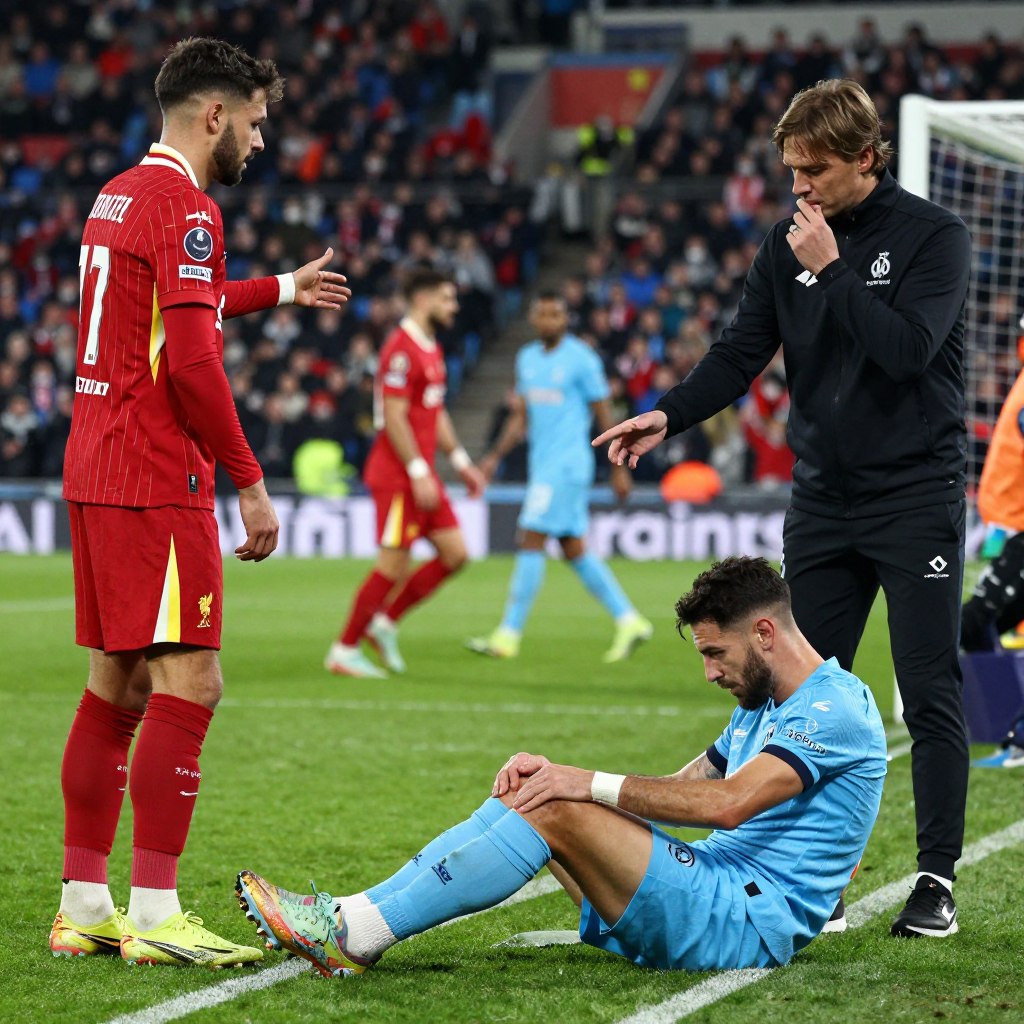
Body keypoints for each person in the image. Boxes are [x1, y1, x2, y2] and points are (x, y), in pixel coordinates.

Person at [593, 79, 970, 939]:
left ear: (867, 157)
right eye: (791, 172)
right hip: (823, 501)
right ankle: (818, 880)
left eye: (815, 171)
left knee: (928, 686)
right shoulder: (786, 244)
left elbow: (909, 352)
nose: (799, 188)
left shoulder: (933, 238)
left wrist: (833, 269)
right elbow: (740, 351)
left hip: (915, 496)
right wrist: (670, 413)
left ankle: (935, 879)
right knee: (791, 698)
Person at [51, 37, 351, 968]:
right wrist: (250, 482)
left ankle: (84, 903)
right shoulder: (188, 206)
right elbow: (187, 358)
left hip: (93, 466)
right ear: (214, 114)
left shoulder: (118, 194)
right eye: (256, 123)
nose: (261, 142)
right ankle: (154, 913)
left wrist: (283, 289)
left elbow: (177, 308)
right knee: (193, 682)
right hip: (154, 476)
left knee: (118, 685)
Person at [236, 557, 887, 977]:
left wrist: (582, 787)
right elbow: (694, 784)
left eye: (717, 653)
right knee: (534, 789)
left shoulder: (833, 710)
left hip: (744, 921)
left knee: (555, 801)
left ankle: (359, 936)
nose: (710, 671)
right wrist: (570, 782)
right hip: (712, 889)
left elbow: (728, 804)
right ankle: (348, 912)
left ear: (767, 634)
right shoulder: (764, 697)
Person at [465, 292, 652, 661]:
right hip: (543, 465)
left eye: (556, 314)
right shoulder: (527, 359)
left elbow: (603, 414)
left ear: (566, 318)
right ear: (534, 318)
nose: (549, 320)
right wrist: (493, 457)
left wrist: (618, 467)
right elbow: (521, 416)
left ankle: (508, 635)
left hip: (567, 466)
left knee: (530, 538)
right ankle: (629, 619)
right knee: (572, 548)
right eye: (542, 313)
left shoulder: (581, 359)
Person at [325, 267, 486, 679]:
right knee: (392, 565)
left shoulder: (430, 346)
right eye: (447, 298)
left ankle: (386, 621)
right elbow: (392, 416)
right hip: (399, 476)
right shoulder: (400, 348)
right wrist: (417, 469)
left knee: (455, 554)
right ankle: (344, 649)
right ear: (423, 300)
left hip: (422, 474)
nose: (454, 306)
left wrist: (463, 463)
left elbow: (436, 411)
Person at [958, 331, 1024, 769]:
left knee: (979, 619)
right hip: (1014, 526)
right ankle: (1003, 721)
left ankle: (1014, 732)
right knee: (978, 620)